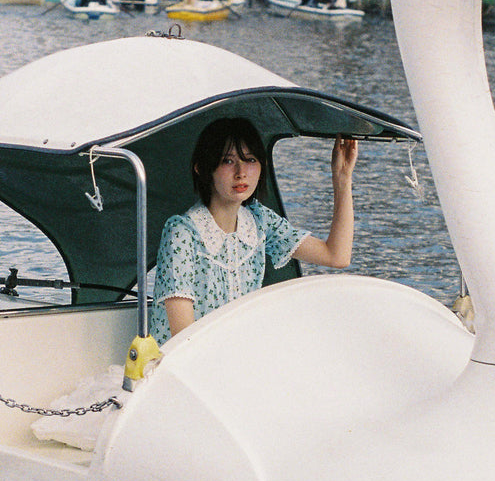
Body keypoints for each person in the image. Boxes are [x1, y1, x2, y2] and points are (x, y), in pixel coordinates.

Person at [151, 117, 358, 344]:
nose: (241, 172)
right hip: (181, 367)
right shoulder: (182, 232)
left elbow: (336, 256)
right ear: (202, 168)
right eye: (227, 161)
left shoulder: (259, 220)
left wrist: (342, 179)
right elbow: (184, 339)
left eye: (250, 159)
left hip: (235, 355)